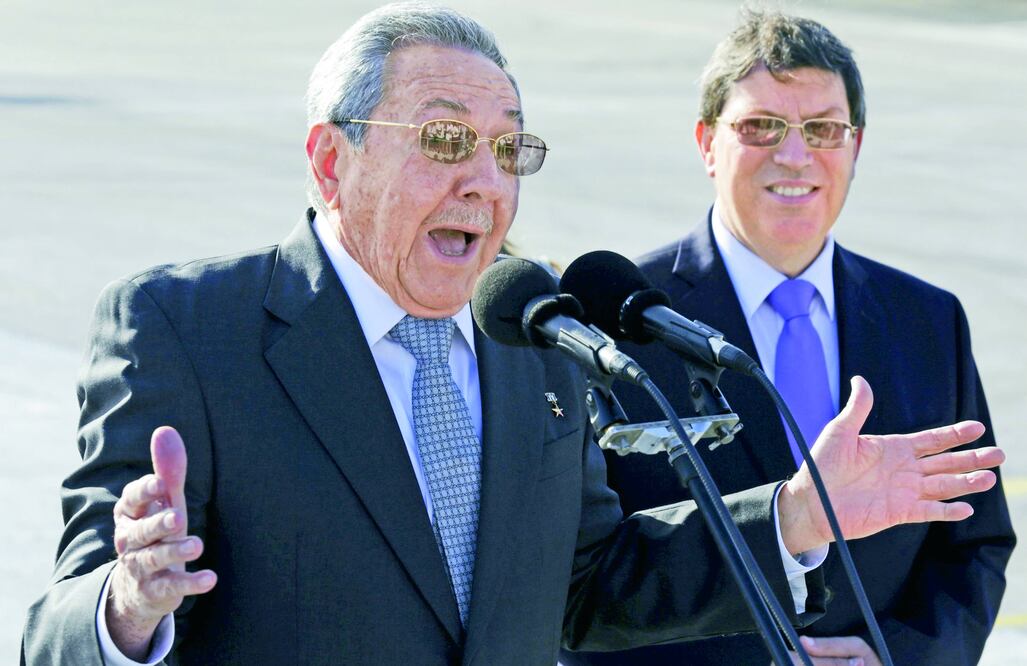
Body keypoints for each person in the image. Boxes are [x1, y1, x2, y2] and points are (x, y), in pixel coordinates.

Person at [22, 4, 1004, 665]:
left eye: (507, 149)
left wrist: (791, 514)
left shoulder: (532, 339)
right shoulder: (188, 331)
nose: (485, 181)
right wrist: (128, 607)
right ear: (330, 161)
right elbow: (51, 632)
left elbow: (594, 586)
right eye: (444, 142)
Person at [563, 10, 1015, 666]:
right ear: (705, 144)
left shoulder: (927, 320)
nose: (794, 154)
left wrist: (895, 658)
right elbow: (585, 579)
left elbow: (973, 547)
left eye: (823, 129)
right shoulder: (613, 320)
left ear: (855, 147)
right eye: (760, 126)